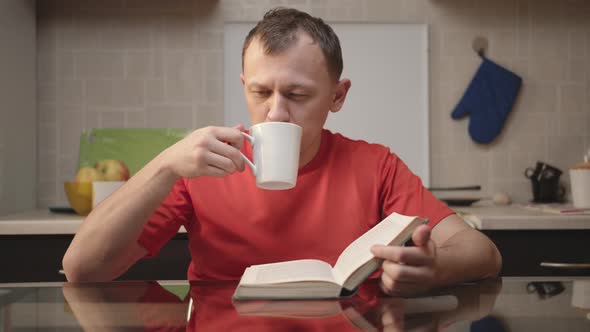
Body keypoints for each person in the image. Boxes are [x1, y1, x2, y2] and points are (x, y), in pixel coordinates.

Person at [63, 7, 501, 296]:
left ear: (338, 95)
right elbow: (82, 268)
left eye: (297, 94)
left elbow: (483, 253)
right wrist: (163, 164)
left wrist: (436, 267)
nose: (276, 113)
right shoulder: (200, 167)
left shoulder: (375, 165)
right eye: (260, 92)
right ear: (244, 88)